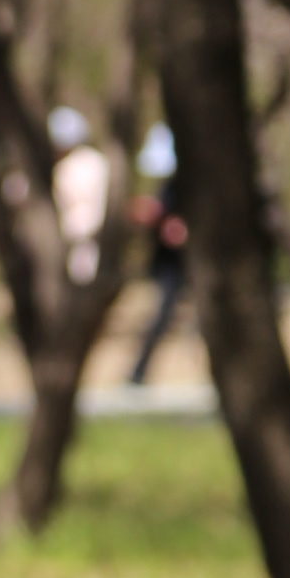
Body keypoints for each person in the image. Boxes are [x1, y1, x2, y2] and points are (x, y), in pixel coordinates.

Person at [127, 116, 190, 384]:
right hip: (169, 263)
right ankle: (138, 373)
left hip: (186, 262)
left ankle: (138, 373)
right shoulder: (167, 185)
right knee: (163, 314)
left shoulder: (186, 186)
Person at [48, 104, 110, 286]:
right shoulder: (97, 161)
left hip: (79, 231)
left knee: (80, 278)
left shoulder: (70, 166)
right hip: (85, 230)